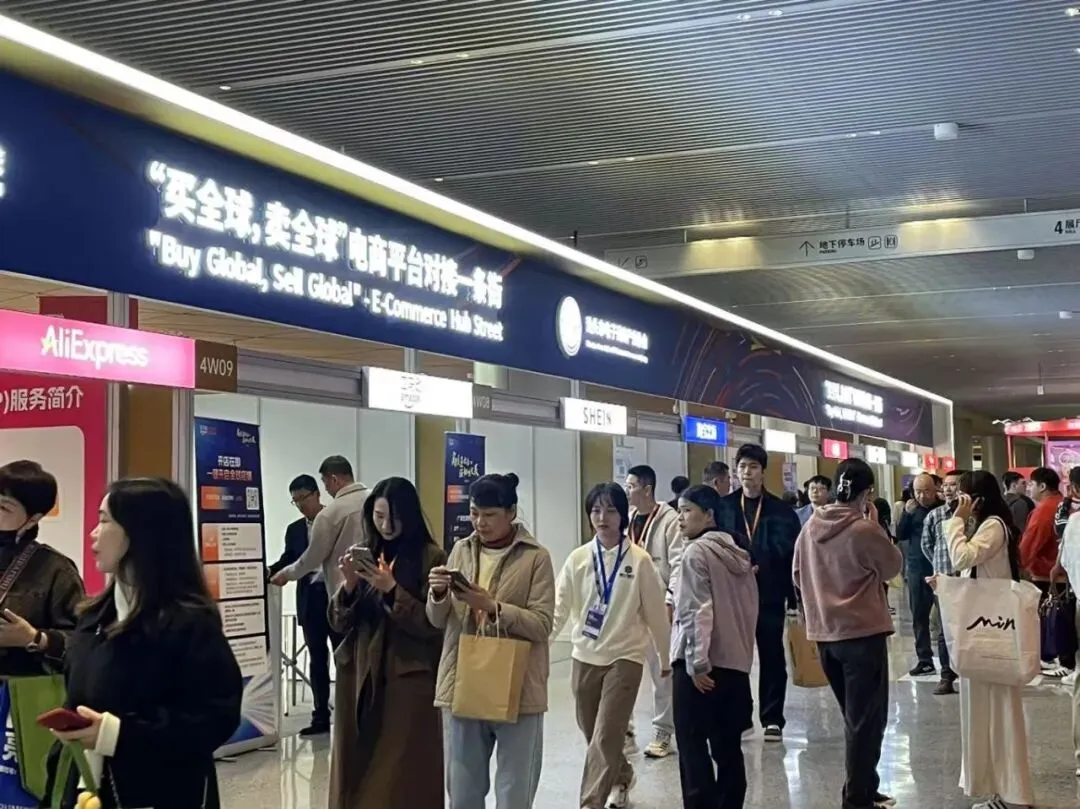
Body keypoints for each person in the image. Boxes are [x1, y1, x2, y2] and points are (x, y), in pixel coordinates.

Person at [46, 478, 242, 809]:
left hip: (161, 791)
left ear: (141, 532)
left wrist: (117, 734)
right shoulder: (93, 617)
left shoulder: (188, 623)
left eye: (105, 521)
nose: (94, 533)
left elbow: (214, 718)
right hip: (89, 787)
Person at [427, 473, 555, 809]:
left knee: (514, 792)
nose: (480, 523)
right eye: (474, 513)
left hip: (519, 687)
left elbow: (542, 625)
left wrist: (493, 607)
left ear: (511, 512)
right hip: (464, 681)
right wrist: (438, 595)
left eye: (489, 515)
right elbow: (438, 620)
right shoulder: (461, 550)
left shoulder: (535, 557)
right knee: (463, 790)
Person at [329, 476, 446, 809]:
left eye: (394, 518)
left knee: (402, 772)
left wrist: (392, 589)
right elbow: (338, 623)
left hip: (405, 676)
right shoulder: (366, 551)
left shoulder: (431, 557)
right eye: (379, 517)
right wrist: (348, 587)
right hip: (359, 673)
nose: (386, 526)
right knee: (356, 768)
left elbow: (432, 624)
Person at [551, 483, 670, 809]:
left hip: (625, 657)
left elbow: (655, 613)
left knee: (606, 734)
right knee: (593, 731)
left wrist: (664, 657)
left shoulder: (639, 560)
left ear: (622, 516)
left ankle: (590, 803)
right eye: (596, 510)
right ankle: (622, 774)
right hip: (585, 656)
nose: (602, 518)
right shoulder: (578, 559)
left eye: (611, 510)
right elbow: (559, 607)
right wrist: (541, 644)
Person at [793, 459, 902, 809]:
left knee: (855, 719)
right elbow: (893, 566)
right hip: (862, 636)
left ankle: (865, 787)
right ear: (867, 493)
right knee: (867, 721)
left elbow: (797, 575)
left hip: (826, 637)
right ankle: (857, 800)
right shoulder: (863, 529)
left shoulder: (810, 527)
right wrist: (876, 525)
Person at [941, 471, 1034, 809]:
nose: (956, 499)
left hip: (991, 634)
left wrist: (956, 521)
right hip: (986, 627)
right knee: (988, 713)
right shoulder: (988, 526)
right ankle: (999, 790)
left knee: (999, 713)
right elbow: (973, 570)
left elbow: (962, 557)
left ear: (977, 498)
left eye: (962, 494)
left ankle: (1012, 793)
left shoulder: (993, 526)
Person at [670, 484, 758, 809]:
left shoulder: (696, 553)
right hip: (735, 666)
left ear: (709, 515)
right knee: (728, 747)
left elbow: (696, 611)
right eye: (679, 511)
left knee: (692, 747)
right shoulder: (740, 555)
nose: (681, 518)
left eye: (687, 511)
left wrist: (697, 664)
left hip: (701, 668)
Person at [720, 444, 800, 742]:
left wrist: (793, 599)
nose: (747, 472)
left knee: (771, 655)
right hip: (733, 595)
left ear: (763, 472)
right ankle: (740, 716)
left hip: (769, 594)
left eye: (753, 467)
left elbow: (790, 553)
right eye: (742, 467)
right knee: (734, 657)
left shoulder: (782, 511)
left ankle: (772, 717)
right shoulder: (724, 508)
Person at [267, 474, 338, 735]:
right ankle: (320, 716)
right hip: (310, 599)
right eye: (295, 501)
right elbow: (290, 558)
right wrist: (270, 571)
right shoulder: (295, 529)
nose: (299, 505)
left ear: (317, 494)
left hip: (336, 597)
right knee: (317, 659)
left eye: (303, 498)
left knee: (343, 656)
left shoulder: (335, 520)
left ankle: (349, 714)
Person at [0, 460, 83, 676]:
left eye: (3, 508)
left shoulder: (56, 570)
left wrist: (34, 638)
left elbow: (85, 645)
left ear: (33, 519)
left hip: (19, 691)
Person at [624, 464, 684, 758]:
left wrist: (670, 600)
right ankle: (625, 729)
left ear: (647, 489)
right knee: (623, 670)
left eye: (631, 486)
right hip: (629, 606)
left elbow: (678, 563)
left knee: (662, 672)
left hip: (659, 607)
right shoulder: (629, 518)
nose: (627, 491)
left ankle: (663, 732)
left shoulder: (669, 520)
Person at [271, 456, 369, 594]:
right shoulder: (375, 499)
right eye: (295, 500)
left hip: (344, 589)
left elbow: (312, 559)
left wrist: (286, 574)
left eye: (325, 483)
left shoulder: (329, 515)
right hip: (376, 586)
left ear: (334, 480)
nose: (326, 489)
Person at [1020, 466, 1073, 678]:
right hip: (1065, 573)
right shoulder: (1063, 504)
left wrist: (1019, 564)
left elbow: (1031, 543)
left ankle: (1061, 659)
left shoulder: (1045, 510)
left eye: (1031, 484)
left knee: (1053, 618)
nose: (1028, 488)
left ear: (1042, 486)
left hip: (1047, 573)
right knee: (1063, 618)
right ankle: (1062, 658)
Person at [920, 469, 965, 695]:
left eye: (953, 484)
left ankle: (969, 672)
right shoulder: (935, 515)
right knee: (944, 630)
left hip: (967, 581)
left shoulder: (972, 515)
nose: (948, 489)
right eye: (945, 485)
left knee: (968, 627)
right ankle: (946, 676)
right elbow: (927, 545)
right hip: (944, 581)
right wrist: (940, 566)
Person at [896, 473, 941, 677]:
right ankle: (925, 659)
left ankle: (949, 661)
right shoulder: (911, 510)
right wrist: (906, 514)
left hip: (939, 568)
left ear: (935, 490)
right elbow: (900, 535)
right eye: (918, 492)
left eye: (927, 491)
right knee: (919, 616)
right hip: (917, 568)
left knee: (945, 617)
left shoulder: (943, 509)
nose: (922, 496)